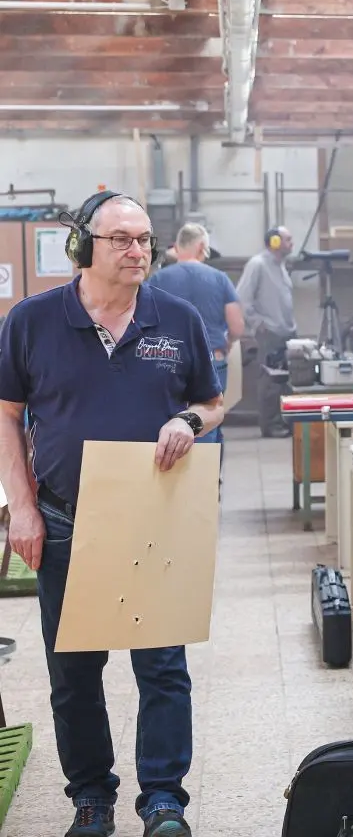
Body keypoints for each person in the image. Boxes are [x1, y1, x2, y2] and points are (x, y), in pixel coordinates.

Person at [0, 191, 224, 837]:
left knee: (161, 666)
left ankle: (163, 801)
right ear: (82, 247)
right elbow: (7, 414)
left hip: (152, 517)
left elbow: (210, 402)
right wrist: (22, 507)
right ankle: (91, 799)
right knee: (74, 673)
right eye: (121, 239)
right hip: (65, 519)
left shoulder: (175, 318)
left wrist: (188, 421)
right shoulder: (32, 322)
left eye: (145, 239)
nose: (137, 251)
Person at [146, 223, 244, 457]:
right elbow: (237, 326)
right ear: (202, 247)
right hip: (213, 360)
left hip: (166, 361)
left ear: (177, 247)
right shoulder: (219, 279)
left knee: (169, 424)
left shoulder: (158, 279)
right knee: (208, 420)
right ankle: (206, 485)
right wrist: (227, 343)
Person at [236, 226, 297, 438]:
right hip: (269, 333)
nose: (292, 243)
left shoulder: (280, 266)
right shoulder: (258, 265)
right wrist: (257, 323)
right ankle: (271, 426)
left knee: (285, 382)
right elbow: (242, 298)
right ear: (274, 242)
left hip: (286, 332)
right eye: (287, 239)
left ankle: (284, 422)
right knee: (270, 382)